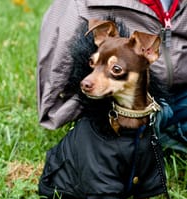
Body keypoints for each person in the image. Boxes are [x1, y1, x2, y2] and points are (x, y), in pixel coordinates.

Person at [37, 0, 187, 152]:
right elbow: (53, 70)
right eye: (92, 63)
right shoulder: (79, 5)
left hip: (177, 95)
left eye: (115, 69)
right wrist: (67, 114)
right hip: (107, 110)